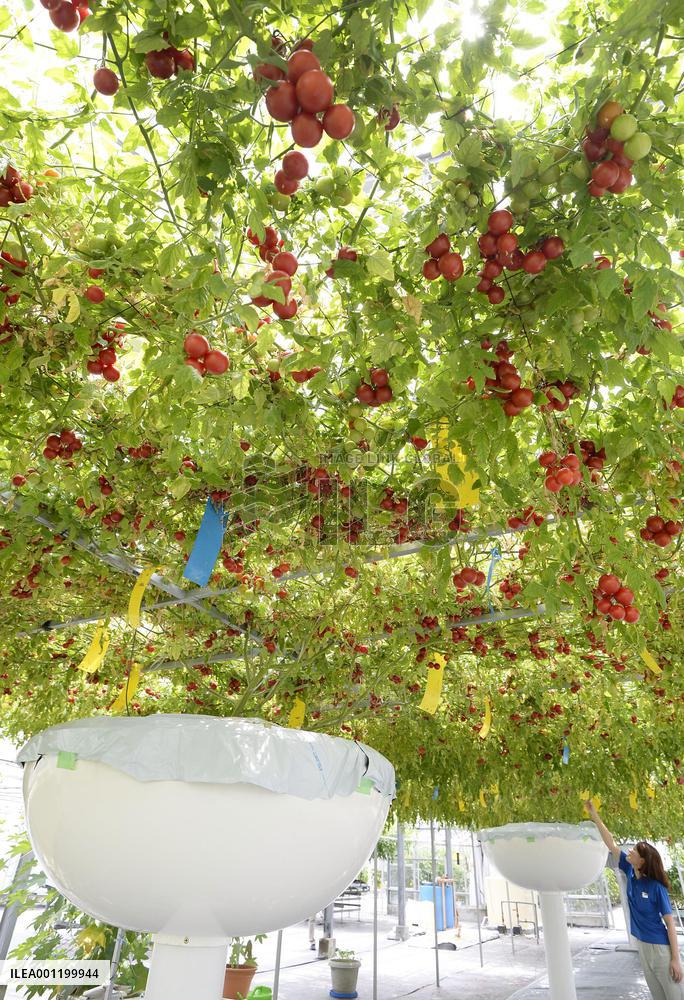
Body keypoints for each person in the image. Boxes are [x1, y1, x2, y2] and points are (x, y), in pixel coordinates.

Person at [586, 801, 684, 999]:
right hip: (643, 947)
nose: (629, 851)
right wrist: (594, 815)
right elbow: (611, 843)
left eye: (635, 851)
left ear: (643, 862)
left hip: (660, 950)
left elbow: (670, 925)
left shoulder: (656, 888)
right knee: (658, 996)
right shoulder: (630, 871)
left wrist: (676, 959)